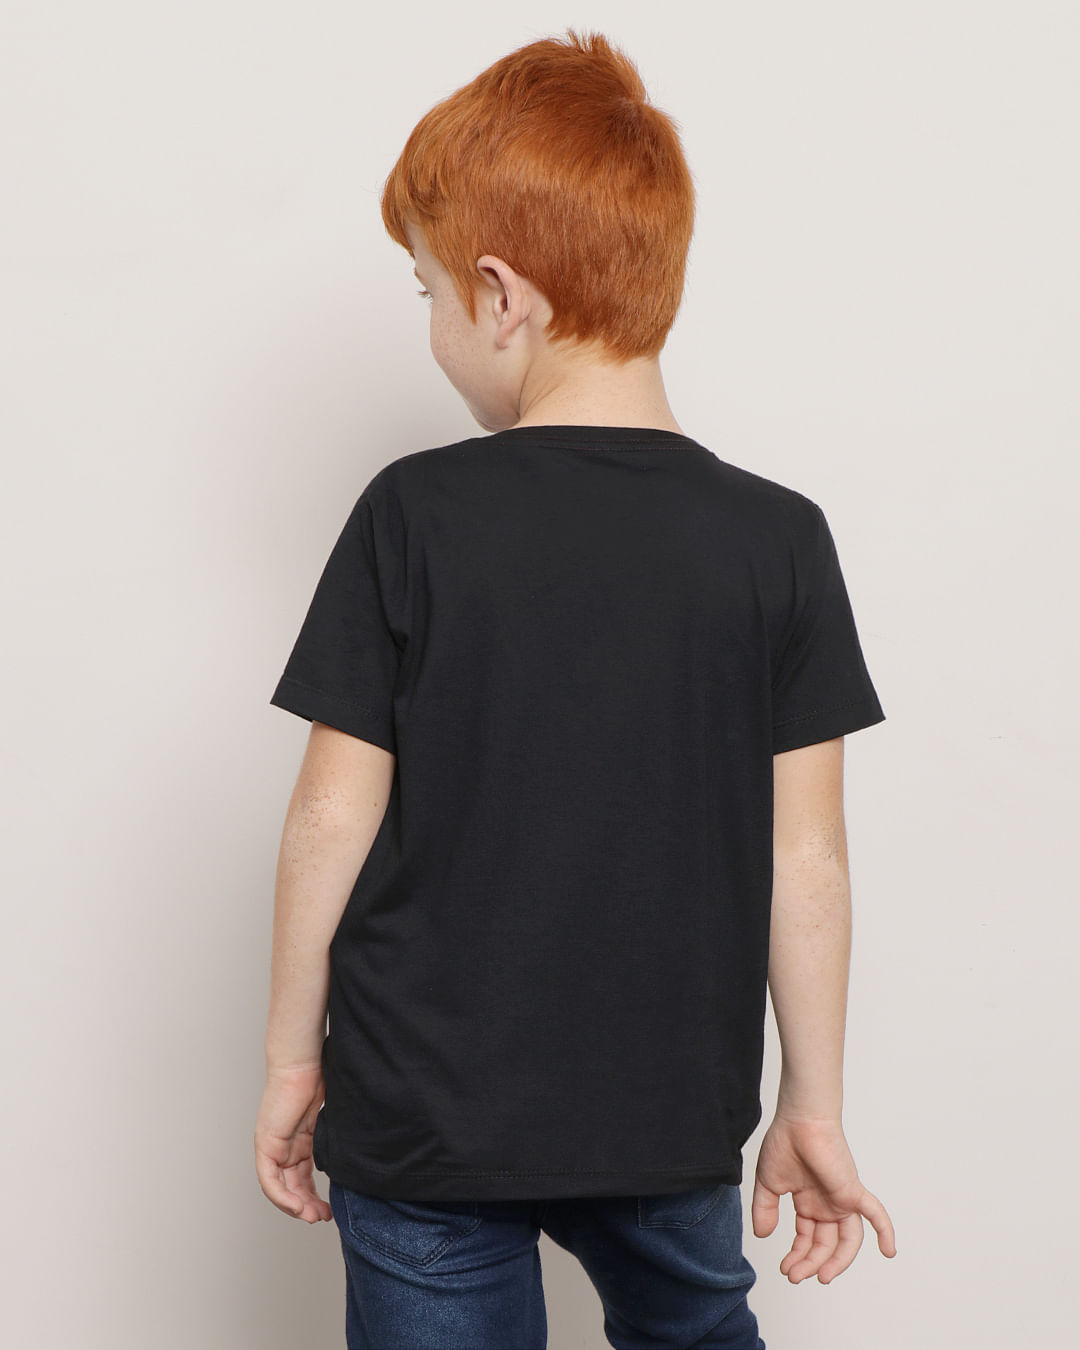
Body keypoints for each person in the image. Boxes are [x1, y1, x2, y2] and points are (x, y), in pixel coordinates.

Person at [254, 27, 897, 1350]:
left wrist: (290, 1059)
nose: (433, 327)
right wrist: (813, 1104)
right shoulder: (779, 539)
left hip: (424, 1112)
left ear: (500, 296)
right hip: (665, 1112)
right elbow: (809, 856)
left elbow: (329, 818)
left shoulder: (412, 515)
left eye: (427, 290)